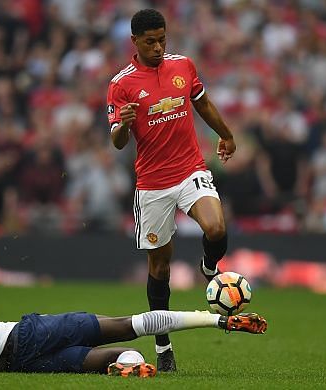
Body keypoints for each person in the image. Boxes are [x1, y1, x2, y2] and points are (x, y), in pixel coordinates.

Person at [106, 9, 236, 371]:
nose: (159, 46)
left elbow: (203, 104)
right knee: (160, 266)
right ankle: (163, 345)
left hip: (190, 168)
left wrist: (225, 134)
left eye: (162, 39)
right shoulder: (122, 84)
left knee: (217, 228)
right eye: (150, 41)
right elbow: (117, 141)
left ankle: (209, 269)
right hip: (153, 185)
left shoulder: (183, 66)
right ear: (134, 42)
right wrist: (122, 126)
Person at [0, 288, 267, 376]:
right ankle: (217, 320)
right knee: (128, 326)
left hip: (20, 366)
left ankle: (125, 368)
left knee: (107, 359)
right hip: (29, 334)